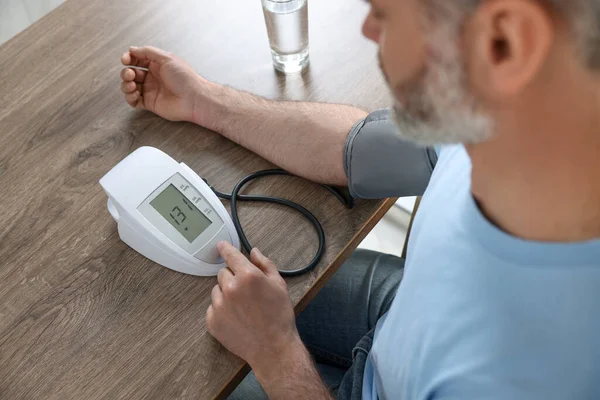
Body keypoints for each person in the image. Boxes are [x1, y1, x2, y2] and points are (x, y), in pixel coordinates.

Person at [119, 0, 600, 398]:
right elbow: (355, 149)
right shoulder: (507, 119)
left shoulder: (521, 376)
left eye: (388, 12)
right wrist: (205, 101)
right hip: (399, 321)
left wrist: (277, 354)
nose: (369, 29)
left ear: (507, 41)